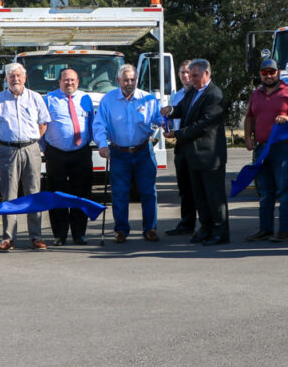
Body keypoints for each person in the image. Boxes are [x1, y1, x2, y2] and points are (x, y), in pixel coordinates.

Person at [92, 64, 167, 243]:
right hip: (119, 152)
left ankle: (150, 228)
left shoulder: (148, 99)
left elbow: (159, 120)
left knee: (148, 192)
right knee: (119, 193)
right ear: (118, 81)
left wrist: (166, 119)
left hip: (143, 152)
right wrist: (102, 145)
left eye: (133, 80)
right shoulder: (108, 100)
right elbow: (99, 125)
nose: (129, 83)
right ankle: (121, 230)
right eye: (126, 80)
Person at [162, 59, 229, 245]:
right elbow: (183, 109)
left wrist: (177, 134)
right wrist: (171, 110)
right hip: (193, 155)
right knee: (199, 196)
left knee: (214, 197)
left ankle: (220, 232)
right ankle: (206, 228)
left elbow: (203, 125)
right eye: (190, 76)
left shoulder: (214, 94)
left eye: (195, 76)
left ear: (207, 74)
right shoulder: (193, 92)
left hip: (209, 156)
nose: (191, 79)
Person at [243, 58, 288, 242]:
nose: (269, 75)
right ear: (260, 75)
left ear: (278, 73)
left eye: (272, 72)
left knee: (284, 190)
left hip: (283, 148)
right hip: (262, 148)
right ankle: (265, 229)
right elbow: (249, 117)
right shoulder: (256, 94)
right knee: (265, 191)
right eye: (265, 72)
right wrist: (248, 137)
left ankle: (285, 230)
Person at [0, 63, 50, 251]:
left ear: (25, 77)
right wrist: (3, 145)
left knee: (33, 193)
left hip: (31, 149)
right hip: (8, 151)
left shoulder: (35, 98)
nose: (15, 79)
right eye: (11, 76)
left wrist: (32, 141)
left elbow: (43, 123)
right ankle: (8, 238)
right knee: (9, 195)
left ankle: (36, 237)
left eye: (18, 76)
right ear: (6, 79)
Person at [43, 68, 94, 246]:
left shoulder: (85, 99)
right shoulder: (48, 99)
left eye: (72, 80)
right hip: (56, 154)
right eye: (66, 80)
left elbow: (92, 123)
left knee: (82, 194)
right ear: (59, 82)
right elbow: (41, 126)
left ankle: (79, 234)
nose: (69, 83)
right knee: (57, 194)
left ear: (78, 82)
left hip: (81, 153)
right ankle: (60, 235)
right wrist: (45, 149)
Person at [164, 60, 198, 236]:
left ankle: (207, 224)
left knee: (198, 188)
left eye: (188, 72)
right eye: (182, 73)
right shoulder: (176, 97)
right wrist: (166, 125)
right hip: (180, 145)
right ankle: (186, 223)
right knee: (184, 188)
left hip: (197, 147)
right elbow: (171, 120)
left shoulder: (200, 94)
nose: (185, 76)